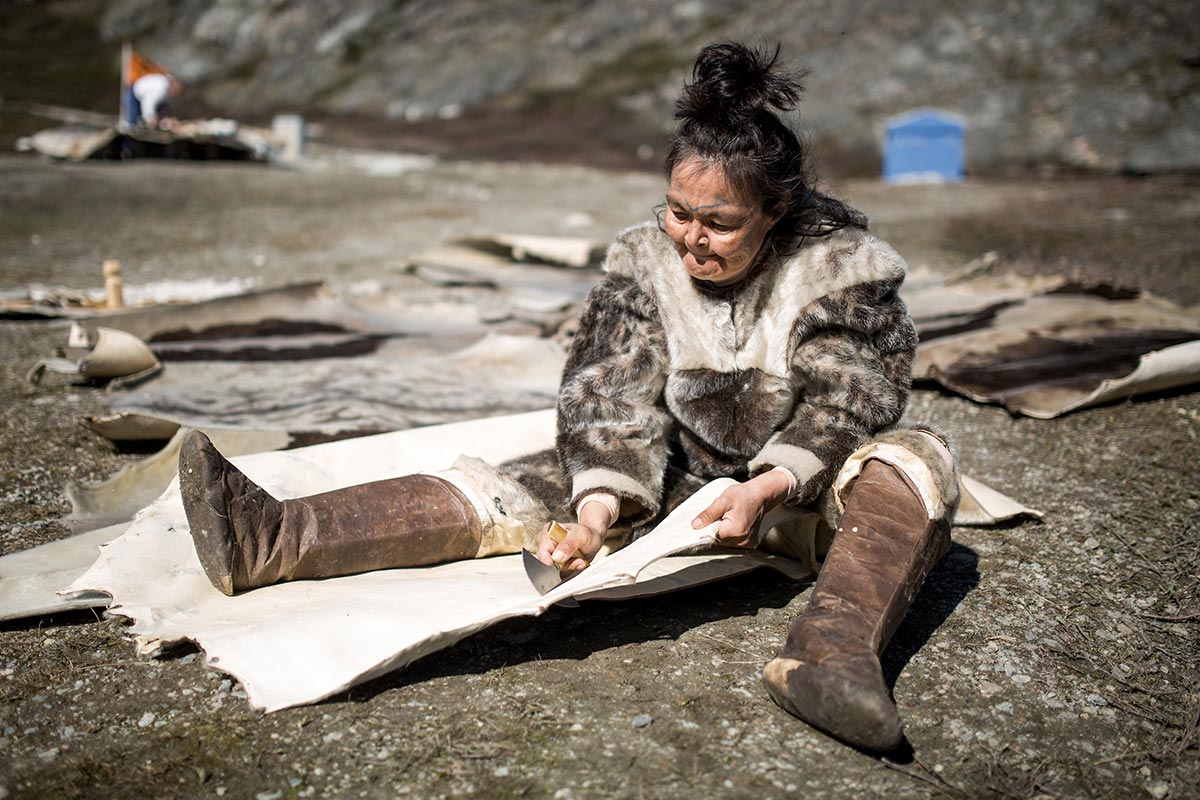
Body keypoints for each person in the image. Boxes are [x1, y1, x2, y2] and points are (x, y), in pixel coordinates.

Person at [179, 42, 959, 753]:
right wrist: (597, 511)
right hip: (684, 475)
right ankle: (277, 537)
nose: (690, 238)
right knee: (532, 477)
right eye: (678, 212)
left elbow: (848, 395)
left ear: (777, 211)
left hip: (794, 490)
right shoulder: (643, 260)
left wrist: (768, 486)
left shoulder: (841, 268)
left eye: (720, 224)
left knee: (916, 460)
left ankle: (833, 655)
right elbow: (606, 389)